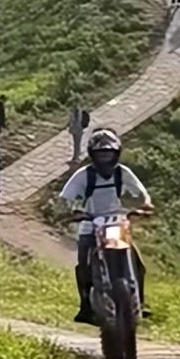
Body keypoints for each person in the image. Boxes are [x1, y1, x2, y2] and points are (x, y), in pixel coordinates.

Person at [58, 128, 153, 325]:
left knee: (138, 264)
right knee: (83, 264)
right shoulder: (83, 176)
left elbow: (142, 193)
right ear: (93, 156)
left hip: (117, 223)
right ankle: (85, 304)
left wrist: (145, 204)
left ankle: (140, 303)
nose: (105, 159)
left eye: (108, 154)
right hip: (90, 224)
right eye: (100, 155)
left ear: (116, 153)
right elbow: (65, 198)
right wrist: (72, 211)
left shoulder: (122, 173)